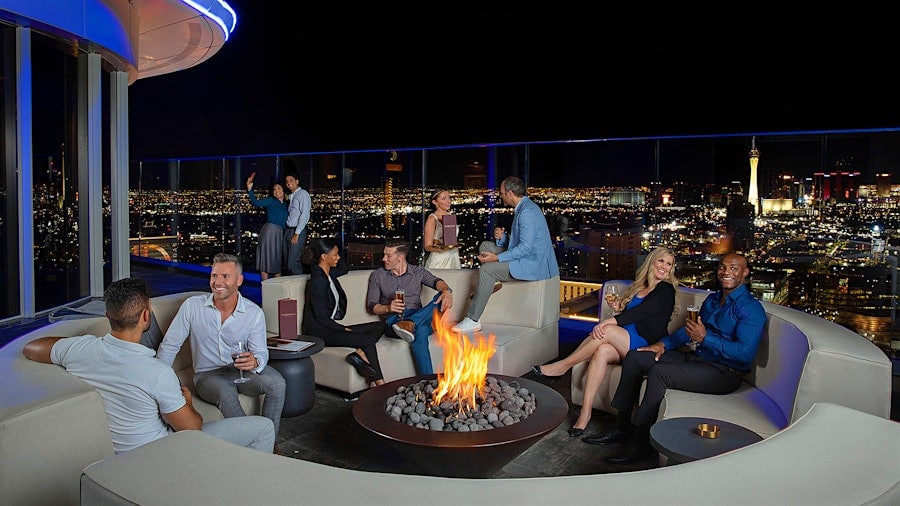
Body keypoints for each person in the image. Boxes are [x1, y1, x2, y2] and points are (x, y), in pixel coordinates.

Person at [22, 277, 275, 454]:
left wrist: (78, 345)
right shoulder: (157, 372)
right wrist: (186, 402)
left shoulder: (81, 350)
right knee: (263, 427)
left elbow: (32, 348)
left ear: (108, 315)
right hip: (160, 454)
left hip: (114, 456)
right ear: (146, 317)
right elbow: (192, 428)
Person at [589, 252, 766, 465]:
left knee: (660, 372)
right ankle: (621, 427)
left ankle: (642, 445)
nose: (726, 272)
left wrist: (706, 338)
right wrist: (662, 345)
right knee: (636, 357)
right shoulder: (713, 299)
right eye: (722, 267)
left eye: (734, 268)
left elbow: (745, 353)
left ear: (745, 273)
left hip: (724, 372)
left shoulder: (751, 309)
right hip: (697, 359)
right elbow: (688, 331)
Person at [533, 247, 678, 438]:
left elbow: (644, 313)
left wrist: (610, 321)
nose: (664, 267)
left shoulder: (666, 289)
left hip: (644, 343)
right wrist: (618, 309)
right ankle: (585, 413)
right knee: (601, 350)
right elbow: (632, 315)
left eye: (669, 264)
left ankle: (563, 366)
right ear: (652, 261)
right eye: (661, 261)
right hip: (625, 338)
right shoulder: (639, 286)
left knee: (607, 330)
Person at [156, 253, 287, 444]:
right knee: (226, 392)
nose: (218, 282)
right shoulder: (193, 307)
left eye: (225, 276)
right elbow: (169, 346)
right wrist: (157, 382)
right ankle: (250, 447)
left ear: (239, 280)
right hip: (207, 375)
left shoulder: (253, 313)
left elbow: (260, 352)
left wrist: (256, 361)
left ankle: (270, 442)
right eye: (214, 276)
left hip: (239, 371)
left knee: (278, 384)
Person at [452, 176, 559, 333]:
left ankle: (473, 319)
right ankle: (489, 284)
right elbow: (521, 242)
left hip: (533, 264)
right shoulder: (524, 207)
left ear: (510, 193)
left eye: (501, 193)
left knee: (487, 270)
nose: (500, 196)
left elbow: (525, 249)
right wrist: (503, 239)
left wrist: (497, 258)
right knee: (485, 246)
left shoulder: (526, 213)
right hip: (525, 257)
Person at [301, 237, 386, 386]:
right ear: (324, 257)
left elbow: (345, 268)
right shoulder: (318, 281)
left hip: (328, 327)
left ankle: (358, 354)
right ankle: (380, 384)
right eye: (335, 255)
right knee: (367, 341)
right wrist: (342, 328)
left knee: (380, 326)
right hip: (319, 332)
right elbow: (320, 317)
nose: (338, 257)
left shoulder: (328, 273)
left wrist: (339, 253)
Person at [366, 240, 454, 376]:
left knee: (444, 293)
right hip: (395, 321)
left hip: (419, 314)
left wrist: (447, 291)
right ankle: (428, 381)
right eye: (384, 255)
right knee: (422, 331)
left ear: (400, 258)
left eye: (388, 256)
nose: (384, 259)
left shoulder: (418, 272)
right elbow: (372, 307)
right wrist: (388, 308)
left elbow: (437, 282)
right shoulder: (378, 275)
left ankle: (412, 323)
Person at [246, 173, 288, 280]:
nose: (276, 191)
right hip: (270, 231)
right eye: (274, 189)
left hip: (279, 233)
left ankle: (278, 289)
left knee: (276, 261)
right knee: (266, 260)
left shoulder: (287, 204)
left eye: (279, 188)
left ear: (284, 190)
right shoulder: (271, 200)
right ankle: (265, 287)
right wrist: (250, 189)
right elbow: (256, 203)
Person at [423, 188, 461, 269]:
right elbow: (427, 246)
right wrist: (441, 249)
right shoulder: (432, 219)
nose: (448, 201)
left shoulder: (451, 216)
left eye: (449, 198)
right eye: (444, 198)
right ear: (435, 202)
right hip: (439, 261)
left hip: (453, 256)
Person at [284, 171, 311, 275]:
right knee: (288, 262)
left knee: (293, 263)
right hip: (289, 229)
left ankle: (299, 288)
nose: (288, 183)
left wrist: (297, 233)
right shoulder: (292, 195)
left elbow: (305, 215)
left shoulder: (302, 194)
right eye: (287, 181)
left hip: (297, 231)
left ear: (297, 181)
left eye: (291, 180)